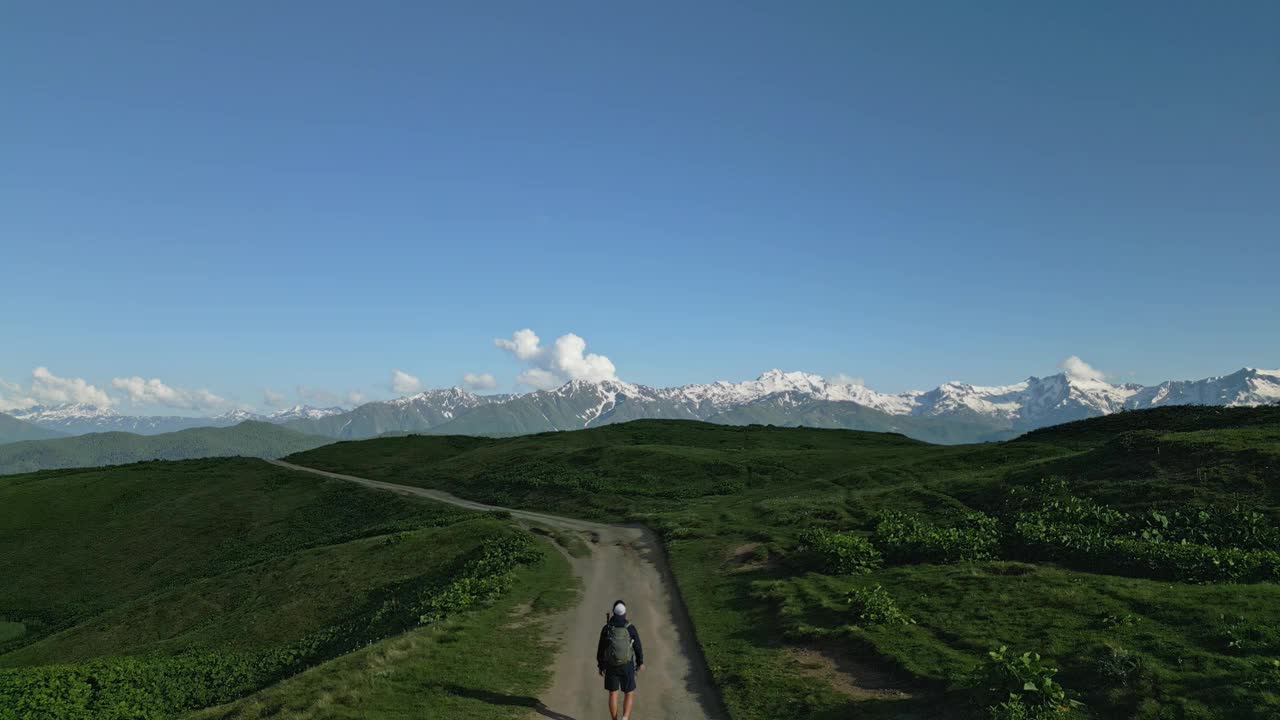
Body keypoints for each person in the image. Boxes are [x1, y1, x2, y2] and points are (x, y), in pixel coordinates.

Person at [597, 600, 644, 720]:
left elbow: (601, 649)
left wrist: (601, 665)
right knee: (629, 692)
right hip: (627, 666)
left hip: (611, 665)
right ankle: (625, 717)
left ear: (613, 613)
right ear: (625, 613)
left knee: (613, 693)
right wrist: (640, 662)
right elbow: (637, 646)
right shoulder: (630, 628)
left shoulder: (607, 628)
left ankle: (614, 719)